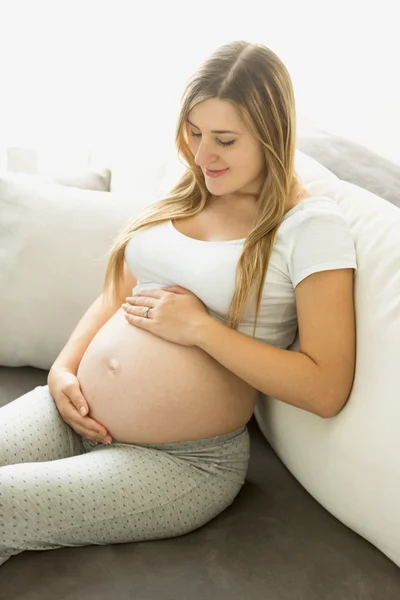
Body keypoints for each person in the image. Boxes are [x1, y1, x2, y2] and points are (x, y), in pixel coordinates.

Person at [0, 40, 357, 566]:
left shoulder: (311, 228)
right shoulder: (191, 188)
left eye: (225, 140)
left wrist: (200, 329)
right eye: (194, 133)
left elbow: (326, 387)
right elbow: (119, 290)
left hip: (182, 462)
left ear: (272, 135)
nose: (202, 154)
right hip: (72, 410)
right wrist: (64, 370)